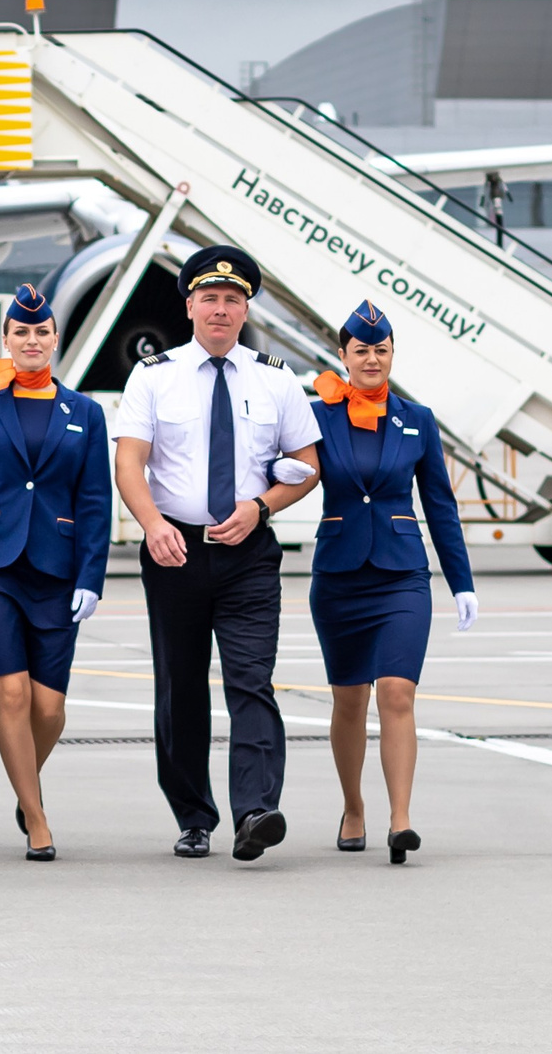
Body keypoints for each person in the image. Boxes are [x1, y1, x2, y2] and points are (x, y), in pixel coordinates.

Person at [113, 245, 321, 863]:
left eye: (233, 299)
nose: (222, 309)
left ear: (246, 306)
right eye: (210, 298)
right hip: (173, 548)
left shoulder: (276, 378)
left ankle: (255, 810)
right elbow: (129, 460)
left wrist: (261, 509)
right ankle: (193, 816)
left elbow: (308, 467)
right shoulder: (154, 376)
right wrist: (151, 524)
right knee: (180, 689)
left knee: (251, 681)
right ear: (190, 306)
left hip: (248, 553)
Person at [308, 300, 478, 865]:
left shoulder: (417, 419)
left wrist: (462, 582)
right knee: (349, 700)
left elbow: (441, 505)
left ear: (391, 355)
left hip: (402, 575)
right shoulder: (317, 415)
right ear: (343, 355)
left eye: (381, 350)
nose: (372, 359)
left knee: (396, 693)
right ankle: (353, 807)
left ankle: (400, 819)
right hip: (338, 575)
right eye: (361, 351)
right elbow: (280, 466)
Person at [0, 282, 110, 862]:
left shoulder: (86, 413)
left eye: (40, 332)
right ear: (6, 339)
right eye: (20, 332)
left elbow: (95, 498)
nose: (30, 340)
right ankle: (39, 817)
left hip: (57, 566)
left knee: (50, 708)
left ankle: (25, 792)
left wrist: (92, 576)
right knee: (13, 692)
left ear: (55, 339)